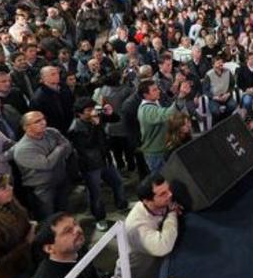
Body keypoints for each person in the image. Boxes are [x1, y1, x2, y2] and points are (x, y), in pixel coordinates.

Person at [68, 97, 128, 231]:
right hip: (90, 165)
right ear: (80, 113)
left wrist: (110, 113)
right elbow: (88, 145)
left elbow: (116, 119)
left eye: (93, 108)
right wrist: (96, 126)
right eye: (88, 110)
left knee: (117, 182)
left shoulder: (95, 117)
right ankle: (100, 218)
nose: (92, 112)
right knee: (95, 194)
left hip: (105, 159)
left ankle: (122, 205)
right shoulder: (75, 128)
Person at [116, 173, 181, 278]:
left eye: (168, 190)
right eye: (163, 194)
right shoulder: (135, 226)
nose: (170, 194)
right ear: (147, 201)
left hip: (152, 270)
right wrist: (172, 214)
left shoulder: (160, 204)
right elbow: (163, 246)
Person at [13, 111, 73, 219]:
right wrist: (59, 148)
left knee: (63, 213)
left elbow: (68, 147)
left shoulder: (52, 132)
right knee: (48, 218)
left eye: (43, 119)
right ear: (26, 127)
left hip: (61, 180)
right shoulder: (23, 149)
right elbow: (47, 164)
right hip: (42, 189)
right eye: (37, 121)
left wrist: (60, 151)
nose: (43, 122)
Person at [27, 212, 106, 278]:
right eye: (68, 231)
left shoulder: (77, 247)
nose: (77, 230)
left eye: (75, 224)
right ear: (50, 248)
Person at [137, 79, 191, 173]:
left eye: (157, 88)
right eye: (154, 90)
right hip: (155, 154)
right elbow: (166, 114)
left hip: (161, 150)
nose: (158, 91)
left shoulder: (154, 102)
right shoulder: (146, 110)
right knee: (163, 179)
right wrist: (181, 96)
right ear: (146, 95)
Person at [203, 54, 237, 123]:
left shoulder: (228, 72)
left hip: (226, 96)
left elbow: (232, 85)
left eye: (221, 62)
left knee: (233, 105)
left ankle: (225, 120)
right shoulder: (208, 75)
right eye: (218, 63)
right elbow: (205, 90)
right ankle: (217, 125)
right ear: (213, 65)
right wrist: (214, 97)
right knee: (215, 111)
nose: (221, 64)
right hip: (215, 98)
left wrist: (228, 94)